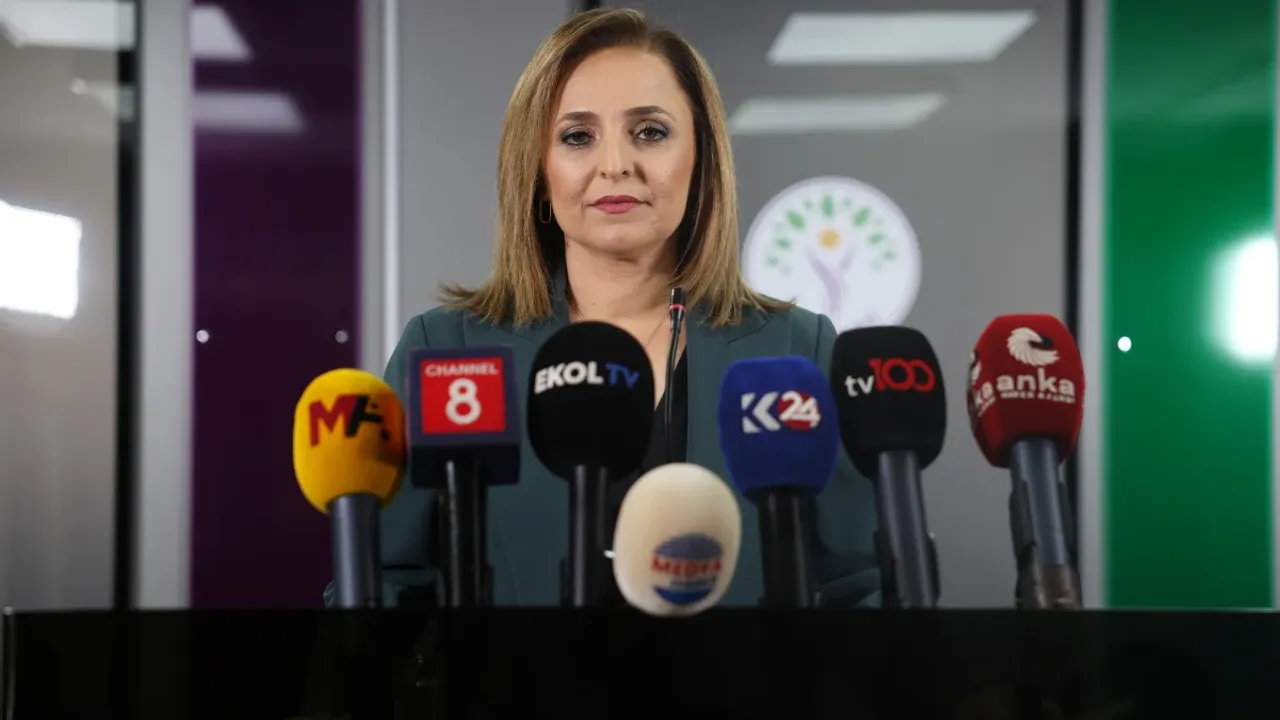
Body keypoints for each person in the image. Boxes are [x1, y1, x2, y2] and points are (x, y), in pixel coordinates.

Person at [354, 8, 880, 609]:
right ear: (539, 171)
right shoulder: (447, 350)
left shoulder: (797, 351)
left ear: (702, 158)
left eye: (650, 132)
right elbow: (379, 582)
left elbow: (860, 588)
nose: (615, 165)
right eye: (577, 137)